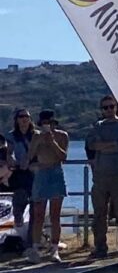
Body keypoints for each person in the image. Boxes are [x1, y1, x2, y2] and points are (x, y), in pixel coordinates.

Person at [86, 95, 118, 258]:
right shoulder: (97, 126)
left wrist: (103, 145)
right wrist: (112, 144)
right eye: (105, 107)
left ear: (116, 107)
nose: (108, 110)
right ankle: (100, 247)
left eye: (111, 106)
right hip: (100, 175)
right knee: (99, 213)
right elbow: (91, 144)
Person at [26, 110, 69, 263]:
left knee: (55, 215)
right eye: (44, 123)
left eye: (49, 123)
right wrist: (38, 142)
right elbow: (30, 156)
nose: (47, 125)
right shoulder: (36, 136)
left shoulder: (62, 135)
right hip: (41, 173)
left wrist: (52, 142)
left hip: (56, 172)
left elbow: (63, 156)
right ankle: (35, 248)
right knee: (38, 214)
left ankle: (55, 248)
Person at [6, 109, 36, 244]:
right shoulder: (11, 136)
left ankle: (31, 242)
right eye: (21, 116)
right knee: (18, 206)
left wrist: (30, 161)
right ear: (17, 119)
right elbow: (8, 152)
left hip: (35, 173)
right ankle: (20, 233)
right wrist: (11, 159)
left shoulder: (36, 135)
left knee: (36, 209)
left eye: (27, 116)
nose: (24, 119)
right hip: (20, 174)